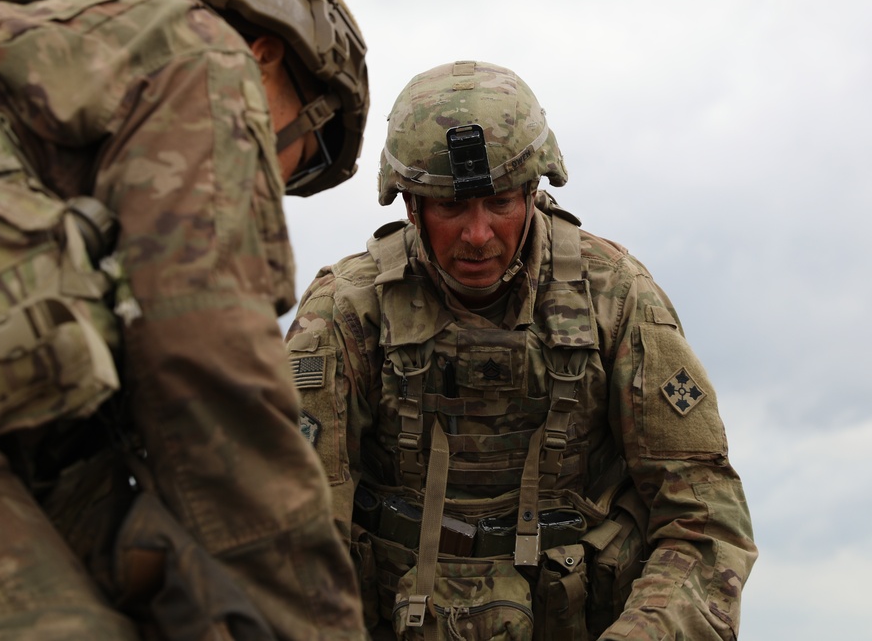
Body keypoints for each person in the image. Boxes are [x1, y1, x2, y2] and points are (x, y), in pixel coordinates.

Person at [0, 0, 368, 639]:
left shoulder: (10, 59)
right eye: (306, 155)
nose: (279, 185)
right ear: (265, 55)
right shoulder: (203, 55)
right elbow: (207, 366)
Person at [285, 60, 756, 640]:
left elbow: (705, 518)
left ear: (534, 192)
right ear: (411, 205)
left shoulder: (613, 295)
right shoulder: (348, 312)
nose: (478, 234)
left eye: (500, 202)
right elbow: (291, 526)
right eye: (451, 207)